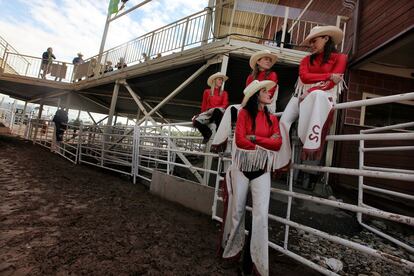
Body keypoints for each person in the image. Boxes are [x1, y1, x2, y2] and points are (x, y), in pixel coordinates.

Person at [221, 80, 282, 276]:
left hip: (261, 169)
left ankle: (259, 265)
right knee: (237, 212)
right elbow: (240, 140)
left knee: (261, 214)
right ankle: (232, 253)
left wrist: (255, 139)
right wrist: (265, 143)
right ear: (257, 95)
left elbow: (278, 144)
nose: (269, 93)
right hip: (242, 168)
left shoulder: (273, 118)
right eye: (265, 91)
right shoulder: (244, 114)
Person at [276, 25, 347, 170]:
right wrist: (328, 75)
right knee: (283, 121)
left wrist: (313, 90)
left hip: (323, 94)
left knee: (317, 95)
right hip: (302, 94)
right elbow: (305, 77)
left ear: (326, 38)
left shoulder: (341, 57)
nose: (311, 45)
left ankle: (309, 145)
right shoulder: (306, 60)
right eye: (310, 42)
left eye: (314, 41)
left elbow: (332, 83)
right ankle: (283, 160)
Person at [192, 72, 229, 144]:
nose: (221, 81)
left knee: (217, 111)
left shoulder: (224, 93)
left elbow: (225, 105)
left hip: (218, 112)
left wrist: (214, 109)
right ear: (214, 81)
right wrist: (200, 115)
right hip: (209, 113)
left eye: (222, 80)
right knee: (195, 121)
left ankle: (219, 136)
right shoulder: (207, 92)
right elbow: (204, 105)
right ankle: (207, 134)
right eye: (219, 79)